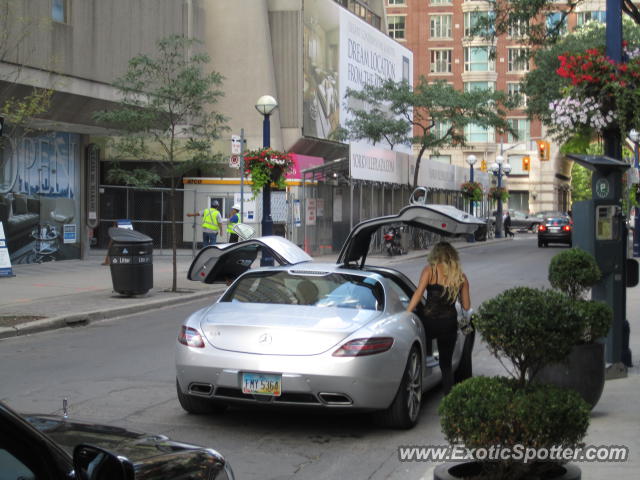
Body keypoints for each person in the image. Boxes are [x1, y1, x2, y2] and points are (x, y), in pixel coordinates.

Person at [406, 242, 471, 395]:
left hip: (429, 322)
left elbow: (418, 294)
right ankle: (449, 403)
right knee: (446, 365)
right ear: (452, 255)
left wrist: (407, 313)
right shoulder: (461, 276)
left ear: (435, 254)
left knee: (418, 349)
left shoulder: (430, 270)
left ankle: (420, 375)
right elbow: (467, 306)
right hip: (449, 323)